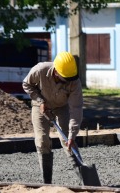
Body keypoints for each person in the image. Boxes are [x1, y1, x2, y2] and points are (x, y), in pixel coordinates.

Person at [22, 51, 84, 183]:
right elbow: (27, 84)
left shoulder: (74, 81)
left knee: (67, 139)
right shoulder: (40, 70)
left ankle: (84, 178)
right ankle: (47, 182)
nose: (68, 82)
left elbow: (76, 109)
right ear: (56, 71)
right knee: (42, 139)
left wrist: (72, 135)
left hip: (62, 107)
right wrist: (40, 101)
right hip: (40, 106)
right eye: (65, 79)